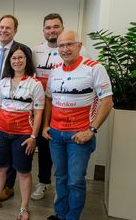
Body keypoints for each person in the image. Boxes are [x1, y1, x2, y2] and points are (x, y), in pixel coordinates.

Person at [44, 30, 113, 220]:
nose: (65, 49)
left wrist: (91, 130)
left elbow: (107, 101)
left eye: (69, 44)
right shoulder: (55, 69)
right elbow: (49, 99)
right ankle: (60, 215)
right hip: (56, 135)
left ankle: (72, 218)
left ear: (79, 45)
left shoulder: (94, 68)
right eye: (61, 45)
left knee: (75, 181)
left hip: (79, 136)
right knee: (60, 177)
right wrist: (45, 125)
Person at [0, 44, 44, 220]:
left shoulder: (35, 84)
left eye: (21, 57)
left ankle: (24, 208)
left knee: (23, 172)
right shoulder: (3, 82)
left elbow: (39, 112)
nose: (17, 61)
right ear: (10, 61)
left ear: (27, 60)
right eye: (14, 58)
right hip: (2, 132)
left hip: (23, 135)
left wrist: (33, 136)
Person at [31, 13, 90, 201]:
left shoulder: (79, 49)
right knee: (44, 146)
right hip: (45, 106)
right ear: (43, 31)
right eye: (48, 27)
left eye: (56, 27)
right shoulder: (36, 50)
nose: (52, 31)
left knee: (67, 152)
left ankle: (62, 186)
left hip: (71, 110)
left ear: (62, 28)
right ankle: (44, 182)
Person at [0, 14, 32, 201]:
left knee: (13, 148)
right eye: (1, 27)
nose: (3, 30)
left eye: (8, 28)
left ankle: (8, 186)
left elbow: (27, 77)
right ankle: (0, 183)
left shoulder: (22, 50)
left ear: (15, 30)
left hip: (14, 106)